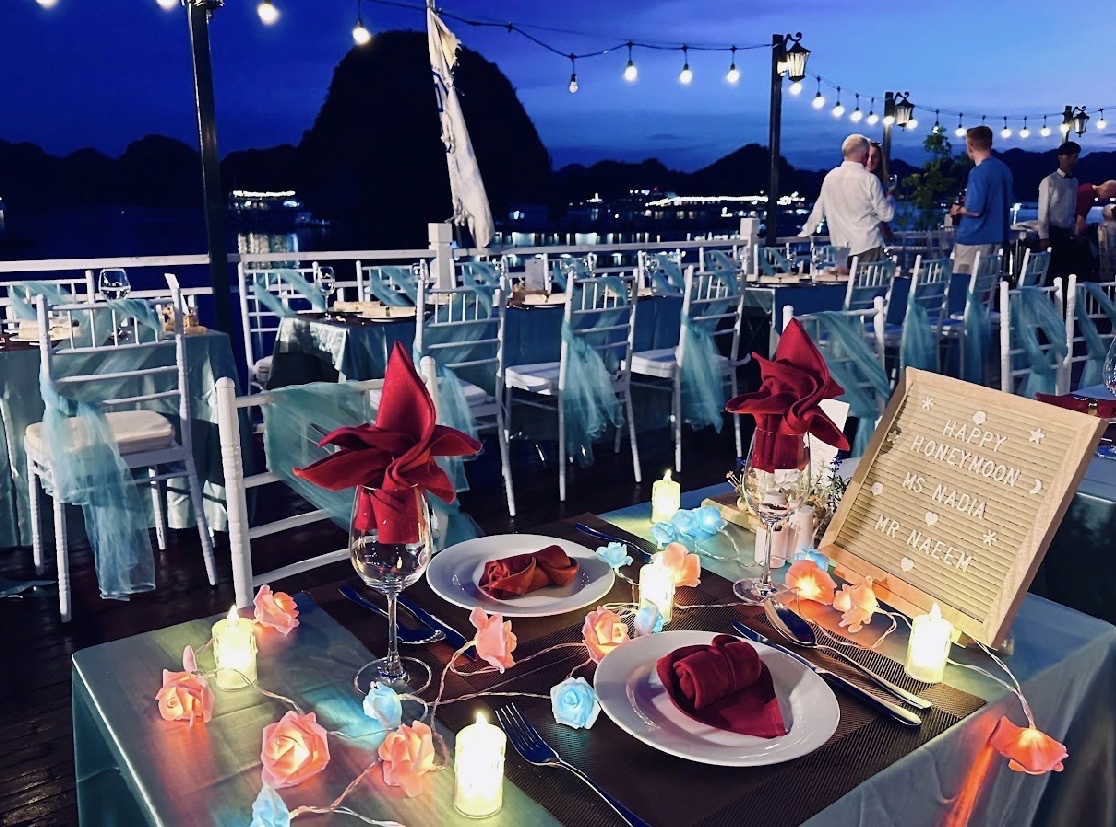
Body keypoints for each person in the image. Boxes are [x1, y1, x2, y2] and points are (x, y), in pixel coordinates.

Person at [800, 134, 895, 262]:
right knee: (866, 275)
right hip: (868, 245)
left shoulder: (830, 177)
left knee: (845, 276)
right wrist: (890, 198)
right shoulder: (869, 179)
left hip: (841, 248)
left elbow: (818, 210)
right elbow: (886, 215)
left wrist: (804, 234)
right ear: (865, 154)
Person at [948, 125, 1013, 275]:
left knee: (963, 284)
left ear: (970, 146)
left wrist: (958, 209)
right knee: (986, 286)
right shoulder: (1004, 169)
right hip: (998, 238)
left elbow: (975, 210)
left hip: (973, 239)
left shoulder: (978, 172)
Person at [1037, 142, 1083, 281]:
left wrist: (1073, 231)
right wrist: (1044, 236)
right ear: (1060, 158)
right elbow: (1043, 210)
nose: (1072, 161)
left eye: (1075, 157)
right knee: (1052, 271)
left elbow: (1072, 208)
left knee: (1067, 271)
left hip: (1067, 233)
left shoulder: (1074, 182)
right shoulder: (1049, 181)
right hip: (1053, 232)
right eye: (1069, 157)